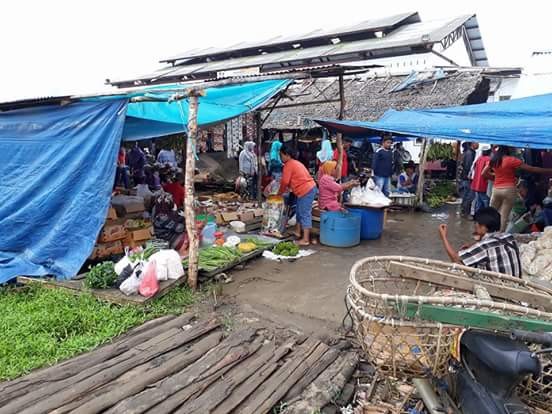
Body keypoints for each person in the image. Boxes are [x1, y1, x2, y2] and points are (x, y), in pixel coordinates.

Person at [482, 145, 552, 232]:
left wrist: (496, 178)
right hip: (509, 189)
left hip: (496, 189)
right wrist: (549, 170)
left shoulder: (494, 160)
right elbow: (532, 169)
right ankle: (498, 237)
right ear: (509, 149)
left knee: (491, 213)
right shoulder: (512, 160)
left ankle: (486, 233)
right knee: (504, 215)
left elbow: (483, 174)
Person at [438, 207, 522, 277]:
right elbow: (493, 242)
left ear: (483, 227)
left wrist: (444, 237)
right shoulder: (509, 237)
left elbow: (456, 259)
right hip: (515, 283)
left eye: (476, 223)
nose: (475, 225)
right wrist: (473, 244)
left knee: (458, 268)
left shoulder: (483, 247)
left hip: (499, 288)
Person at [279, 144, 317, 246]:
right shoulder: (295, 163)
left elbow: (285, 182)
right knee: (299, 212)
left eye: (281, 155)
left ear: (286, 155)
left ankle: (305, 240)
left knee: (304, 213)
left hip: (306, 190)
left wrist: (279, 193)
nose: (280, 157)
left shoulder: (289, 164)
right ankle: (297, 231)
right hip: (306, 189)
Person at [470, 144, 492, 214]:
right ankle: (485, 217)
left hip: (476, 184)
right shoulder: (489, 160)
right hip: (483, 184)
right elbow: (487, 172)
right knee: (485, 202)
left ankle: (477, 216)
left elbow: (474, 168)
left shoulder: (479, 159)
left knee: (478, 202)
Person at [459, 142, 478, 216]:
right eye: (476, 143)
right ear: (472, 144)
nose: (478, 144)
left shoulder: (468, 152)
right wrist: (470, 176)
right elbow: (468, 166)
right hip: (467, 178)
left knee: (466, 195)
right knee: (469, 195)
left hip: (465, 177)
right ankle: (465, 212)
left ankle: (464, 211)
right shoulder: (470, 153)